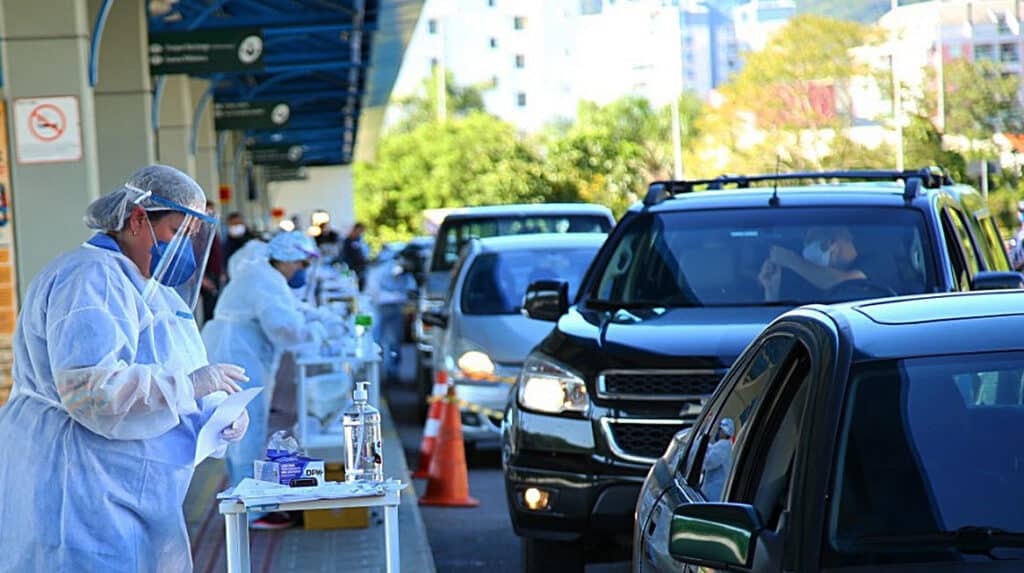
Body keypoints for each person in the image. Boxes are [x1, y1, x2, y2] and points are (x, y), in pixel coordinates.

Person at [0, 165, 250, 572]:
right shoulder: (89, 277)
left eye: (189, 237)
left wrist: (217, 410)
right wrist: (189, 386)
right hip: (80, 479)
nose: (182, 249)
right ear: (137, 220)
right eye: (174, 233)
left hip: (128, 483)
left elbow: (176, 365)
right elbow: (89, 390)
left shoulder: (151, 287)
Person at [201, 231, 329, 530]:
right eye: (299, 265)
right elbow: (284, 327)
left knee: (239, 427)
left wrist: (319, 318)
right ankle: (251, 511)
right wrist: (316, 334)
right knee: (246, 427)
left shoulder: (265, 275)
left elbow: (291, 308)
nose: (301, 272)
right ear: (285, 260)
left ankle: (244, 498)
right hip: (238, 353)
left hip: (237, 350)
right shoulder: (264, 279)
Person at [759, 226, 866, 301]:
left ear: (831, 243)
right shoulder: (809, 278)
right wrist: (771, 289)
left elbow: (841, 283)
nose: (805, 248)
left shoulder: (871, 263)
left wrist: (791, 260)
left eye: (810, 241)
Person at [201, 201, 225, 323]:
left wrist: (221, 272)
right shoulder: (198, 234)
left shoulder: (212, 232)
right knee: (208, 312)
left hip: (215, 275)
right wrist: (202, 279)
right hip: (205, 278)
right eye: (207, 212)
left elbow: (217, 255)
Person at [701, 418, 735, 502]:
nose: (718, 431)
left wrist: (702, 450)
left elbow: (709, 463)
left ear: (724, 432)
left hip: (713, 492)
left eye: (720, 429)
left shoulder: (722, 446)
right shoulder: (726, 446)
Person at [342, 222, 369, 290]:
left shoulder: (359, 239)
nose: (361, 233)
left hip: (361, 266)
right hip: (351, 267)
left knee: (361, 285)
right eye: (360, 230)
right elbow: (344, 255)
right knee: (350, 285)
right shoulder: (348, 240)